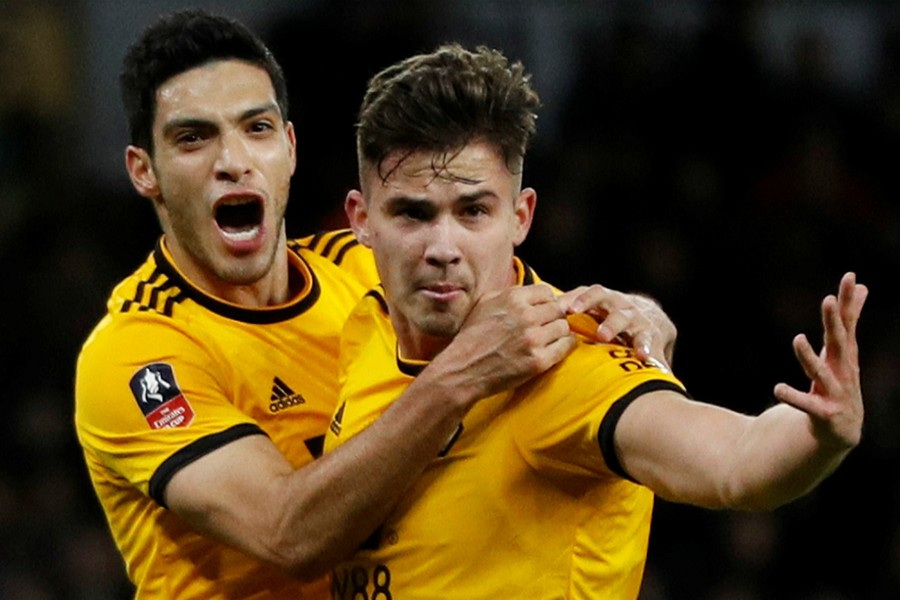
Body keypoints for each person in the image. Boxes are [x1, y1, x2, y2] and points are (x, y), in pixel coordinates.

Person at [73, 10, 679, 599]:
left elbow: (527, 328)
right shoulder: (136, 354)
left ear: (289, 148)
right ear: (143, 171)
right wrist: (454, 377)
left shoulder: (367, 265)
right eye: (193, 138)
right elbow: (288, 536)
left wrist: (631, 314)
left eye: (255, 128)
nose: (233, 162)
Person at [325, 43, 868, 599]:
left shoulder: (565, 361)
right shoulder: (361, 315)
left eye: (473, 212)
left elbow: (735, 460)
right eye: (413, 213)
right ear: (361, 221)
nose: (443, 247)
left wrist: (817, 436)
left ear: (521, 216)